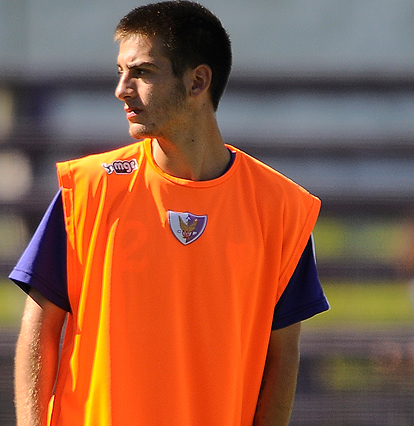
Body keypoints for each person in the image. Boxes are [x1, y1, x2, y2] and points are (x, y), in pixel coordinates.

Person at [10, 2, 329, 425]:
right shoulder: (89, 189)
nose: (122, 89)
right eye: (120, 72)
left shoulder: (280, 208)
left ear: (198, 81)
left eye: (141, 72)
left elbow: (283, 356)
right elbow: (40, 327)